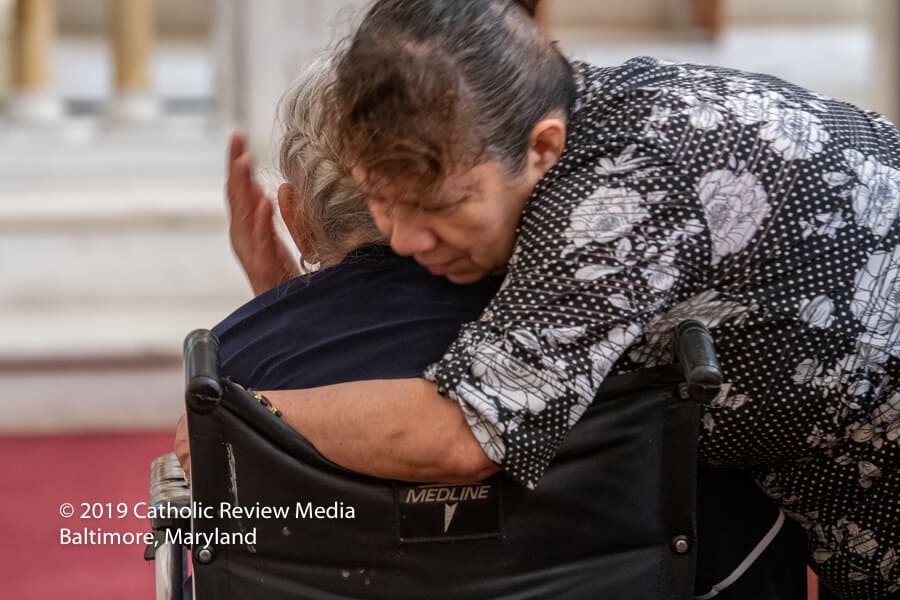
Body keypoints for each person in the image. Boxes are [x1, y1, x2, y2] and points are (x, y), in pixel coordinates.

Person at [227, 1, 900, 598]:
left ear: (542, 148)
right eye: (382, 199)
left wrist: (234, 419)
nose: (403, 239)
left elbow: (463, 434)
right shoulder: (550, 117)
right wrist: (291, 297)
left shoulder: (615, 200)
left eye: (438, 206)